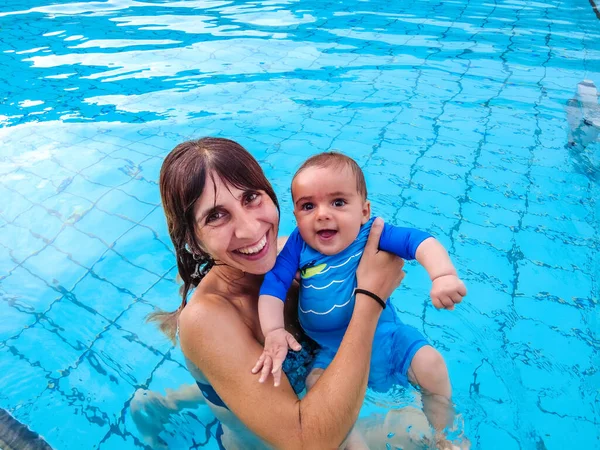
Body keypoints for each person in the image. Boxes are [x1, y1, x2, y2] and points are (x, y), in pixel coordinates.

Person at [147, 137, 407, 449]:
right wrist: (371, 298)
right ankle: (161, 404)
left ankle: (182, 397)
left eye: (251, 198)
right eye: (216, 215)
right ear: (193, 241)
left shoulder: (297, 257)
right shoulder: (205, 319)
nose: (250, 230)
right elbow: (309, 443)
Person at [254, 152, 466, 449]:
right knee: (316, 389)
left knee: (431, 363)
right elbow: (273, 284)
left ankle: (445, 437)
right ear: (296, 216)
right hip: (332, 351)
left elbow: (418, 241)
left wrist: (442, 275)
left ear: (364, 211)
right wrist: (274, 330)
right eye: (308, 206)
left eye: (338, 202)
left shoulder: (372, 233)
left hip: (388, 339)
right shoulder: (297, 246)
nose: (322, 214)